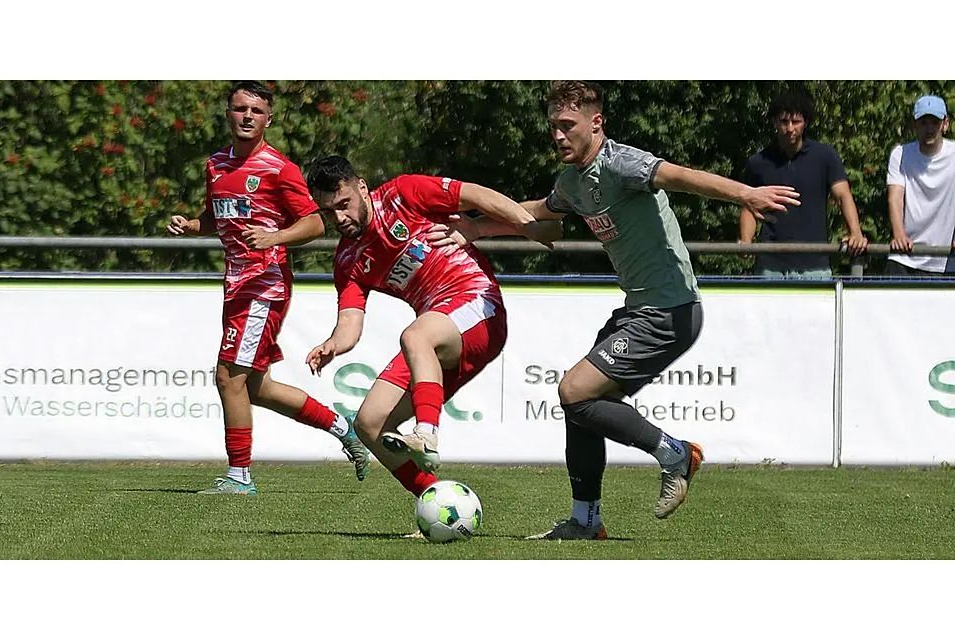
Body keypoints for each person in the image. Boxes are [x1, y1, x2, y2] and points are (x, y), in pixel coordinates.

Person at [510, 81, 800, 540]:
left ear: (596, 123)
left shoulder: (621, 162)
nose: (559, 136)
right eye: (554, 127)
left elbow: (682, 176)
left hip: (669, 311)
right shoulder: (572, 182)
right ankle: (586, 520)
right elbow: (537, 213)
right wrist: (472, 221)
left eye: (568, 125)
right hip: (639, 310)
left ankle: (675, 454)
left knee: (574, 391)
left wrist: (745, 194)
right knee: (581, 404)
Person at [304, 155, 557, 502]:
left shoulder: (403, 195)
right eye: (328, 212)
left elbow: (476, 196)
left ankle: (426, 433)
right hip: (438, 334)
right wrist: (333, 344)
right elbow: (350, 322)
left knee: (415, 335)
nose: (340, 218)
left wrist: (529, 226)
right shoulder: (349, 260)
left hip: (478, 304)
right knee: (369, 423)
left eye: (344, 205)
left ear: (361, 187)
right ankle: (435, 498)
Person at [166, 82, 369, 495]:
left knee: (228, 377)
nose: (247, 116)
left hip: (265, 284)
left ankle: (239, 477)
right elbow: (215, 216)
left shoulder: (279, 168)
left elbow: (314, 223)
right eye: (240, 108)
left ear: (268, 119)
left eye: (256, 111)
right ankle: (340, 426)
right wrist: (191, 225)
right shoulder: (216, 165)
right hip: (235, 285)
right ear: (228, 114)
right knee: (255, 387)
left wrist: (274, 238)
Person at [739, 90, 868, 278]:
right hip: (770, 265)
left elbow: (843, 196)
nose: (790, 128)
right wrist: (745, 240)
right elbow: (748, 206)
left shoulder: (825, 156)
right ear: (774, 122)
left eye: (796, 122)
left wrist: (855, 233)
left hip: (815, 264)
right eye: (783, 122)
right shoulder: (758, 162)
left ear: (805, 122)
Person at [886, 94, 955, 276]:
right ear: (915, 125)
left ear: (945, 124)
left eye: (934, 122)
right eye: (924, 122)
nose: (929, 128)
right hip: (904, 257)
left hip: (944, 261)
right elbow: (895, 198)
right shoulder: (900, 154)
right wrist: (899, 235)